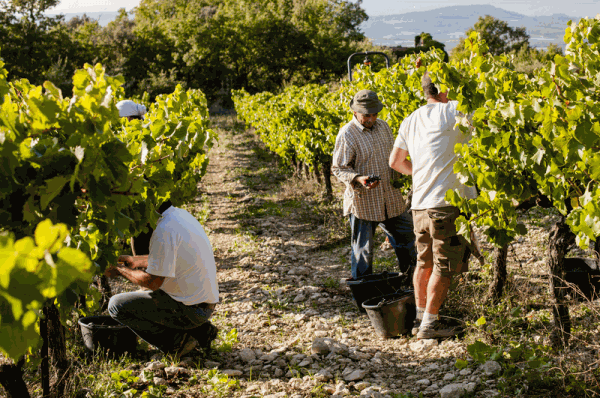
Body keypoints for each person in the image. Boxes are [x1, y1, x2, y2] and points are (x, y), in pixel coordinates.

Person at [389, 72, 477, 340]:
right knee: (443, 266)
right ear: (445, 89)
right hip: (445, 204)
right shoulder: (454, 110)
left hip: (419, 205)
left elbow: (396, 161)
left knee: (424, 263)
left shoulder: (411, 118)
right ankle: (430, 325)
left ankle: (419, 319)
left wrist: (423, 173)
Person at [104, 201, 220, 357]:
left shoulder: (164, 230)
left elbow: (152, 282)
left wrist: (119, 270)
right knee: (152, 295)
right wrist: (136, 261)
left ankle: (178, 343)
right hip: (203, 305)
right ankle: (200, 332)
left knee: (116, 305)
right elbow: (169, 256)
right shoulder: (178, 216)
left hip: (191, 309)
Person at [332, 89, 417, 281]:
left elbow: (394, 159)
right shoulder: (347, 134)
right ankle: (364, 298)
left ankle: (411, 284)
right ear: (355, 112)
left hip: (391, 198)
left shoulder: (384, 127)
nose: (371, 118)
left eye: (374, 114)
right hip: (364, 203)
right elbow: (338, 168)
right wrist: (359, 179)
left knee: (408, 241)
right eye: (366, 115)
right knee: (363, 253)